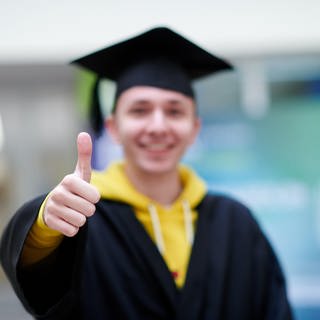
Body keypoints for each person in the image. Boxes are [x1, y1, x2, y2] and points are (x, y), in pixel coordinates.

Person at [0, 27, 293, 320]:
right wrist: (44, 224)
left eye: (175, 111)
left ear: (194, 129)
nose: (157, 126)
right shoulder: (83, 216)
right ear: (114, 127)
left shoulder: (235, 223)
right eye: (140, 110)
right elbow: (39, 289)